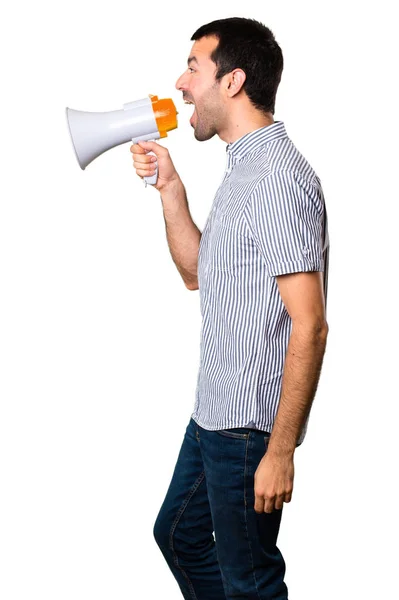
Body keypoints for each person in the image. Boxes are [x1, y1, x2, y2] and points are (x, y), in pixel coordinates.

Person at [130, 17, 329, 600]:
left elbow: (311, 324)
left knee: (251, 582)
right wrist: (170, 190)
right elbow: (198, 274)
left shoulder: (276, 180)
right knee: (179, 534)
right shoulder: (243, 169)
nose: (181, 83)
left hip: (248, 433)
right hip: (213, 416)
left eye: (194, 67)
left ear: (233, 81)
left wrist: (280, 451)